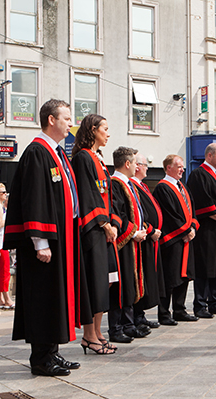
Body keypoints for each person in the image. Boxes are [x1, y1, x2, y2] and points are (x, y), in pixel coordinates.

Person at [3, 99, 83, 375]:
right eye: (66, 118)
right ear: (51, 119)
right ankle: (41, 358)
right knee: (44, 298)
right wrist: (40, 241)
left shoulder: (57, 153)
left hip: (62, 239)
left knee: (56, 297)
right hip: (46, 242)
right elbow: (34, 199)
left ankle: (53, 351)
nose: (70, 124)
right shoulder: (37, 152)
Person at [71, 114, 120, 350]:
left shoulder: (98, 158)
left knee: (106, 282)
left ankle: (98, 332)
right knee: (93, 282)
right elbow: (87, 195)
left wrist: (112, 223)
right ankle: (89, 335)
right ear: (93, 130)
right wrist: (104, 223)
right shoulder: (83, 157)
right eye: (105, 129)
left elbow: (106, 196)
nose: (108, 134)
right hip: (93, 230)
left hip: (105, 231)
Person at [186, 142, 216, 317]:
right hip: (207, 229)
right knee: (205, 266)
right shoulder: (198, 174)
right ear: (209, 156)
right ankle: (200, 305)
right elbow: (202, 201)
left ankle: (215, 302)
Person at [153, 155, 199, 323]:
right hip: (173, 240)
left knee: (184, 276)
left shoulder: (182, 187)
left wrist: (192, 227)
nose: (182, 169)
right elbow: (170, 214)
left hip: (186, 238)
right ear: (168, 168)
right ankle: (164, 313)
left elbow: (192, 209)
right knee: (170, 277)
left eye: (182, 167)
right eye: (178, 166)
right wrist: (186, 230)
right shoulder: (162, 188)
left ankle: (179, 309)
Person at [109, 147, 149, 342]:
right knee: (121, 285)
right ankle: (117, 328)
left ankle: (128, 323)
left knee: (130, 285)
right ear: (126, 164)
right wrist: (133, 233)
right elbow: (118, 214)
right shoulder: (115, 184)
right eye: (134, 163)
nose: (137, 166)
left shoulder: (129, 184)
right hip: (123, 243)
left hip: (134, 241)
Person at [131, 152, 164, 329]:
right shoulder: (133, 186)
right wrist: (151, 230)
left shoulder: (141, 186)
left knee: (148, 278)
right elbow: (138, 213)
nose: (147, 168)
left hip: (152, 239)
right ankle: (137, 315)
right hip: (144, 238)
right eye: (145, 165)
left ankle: (141, 314)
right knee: (141, 278)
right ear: (137, 167)